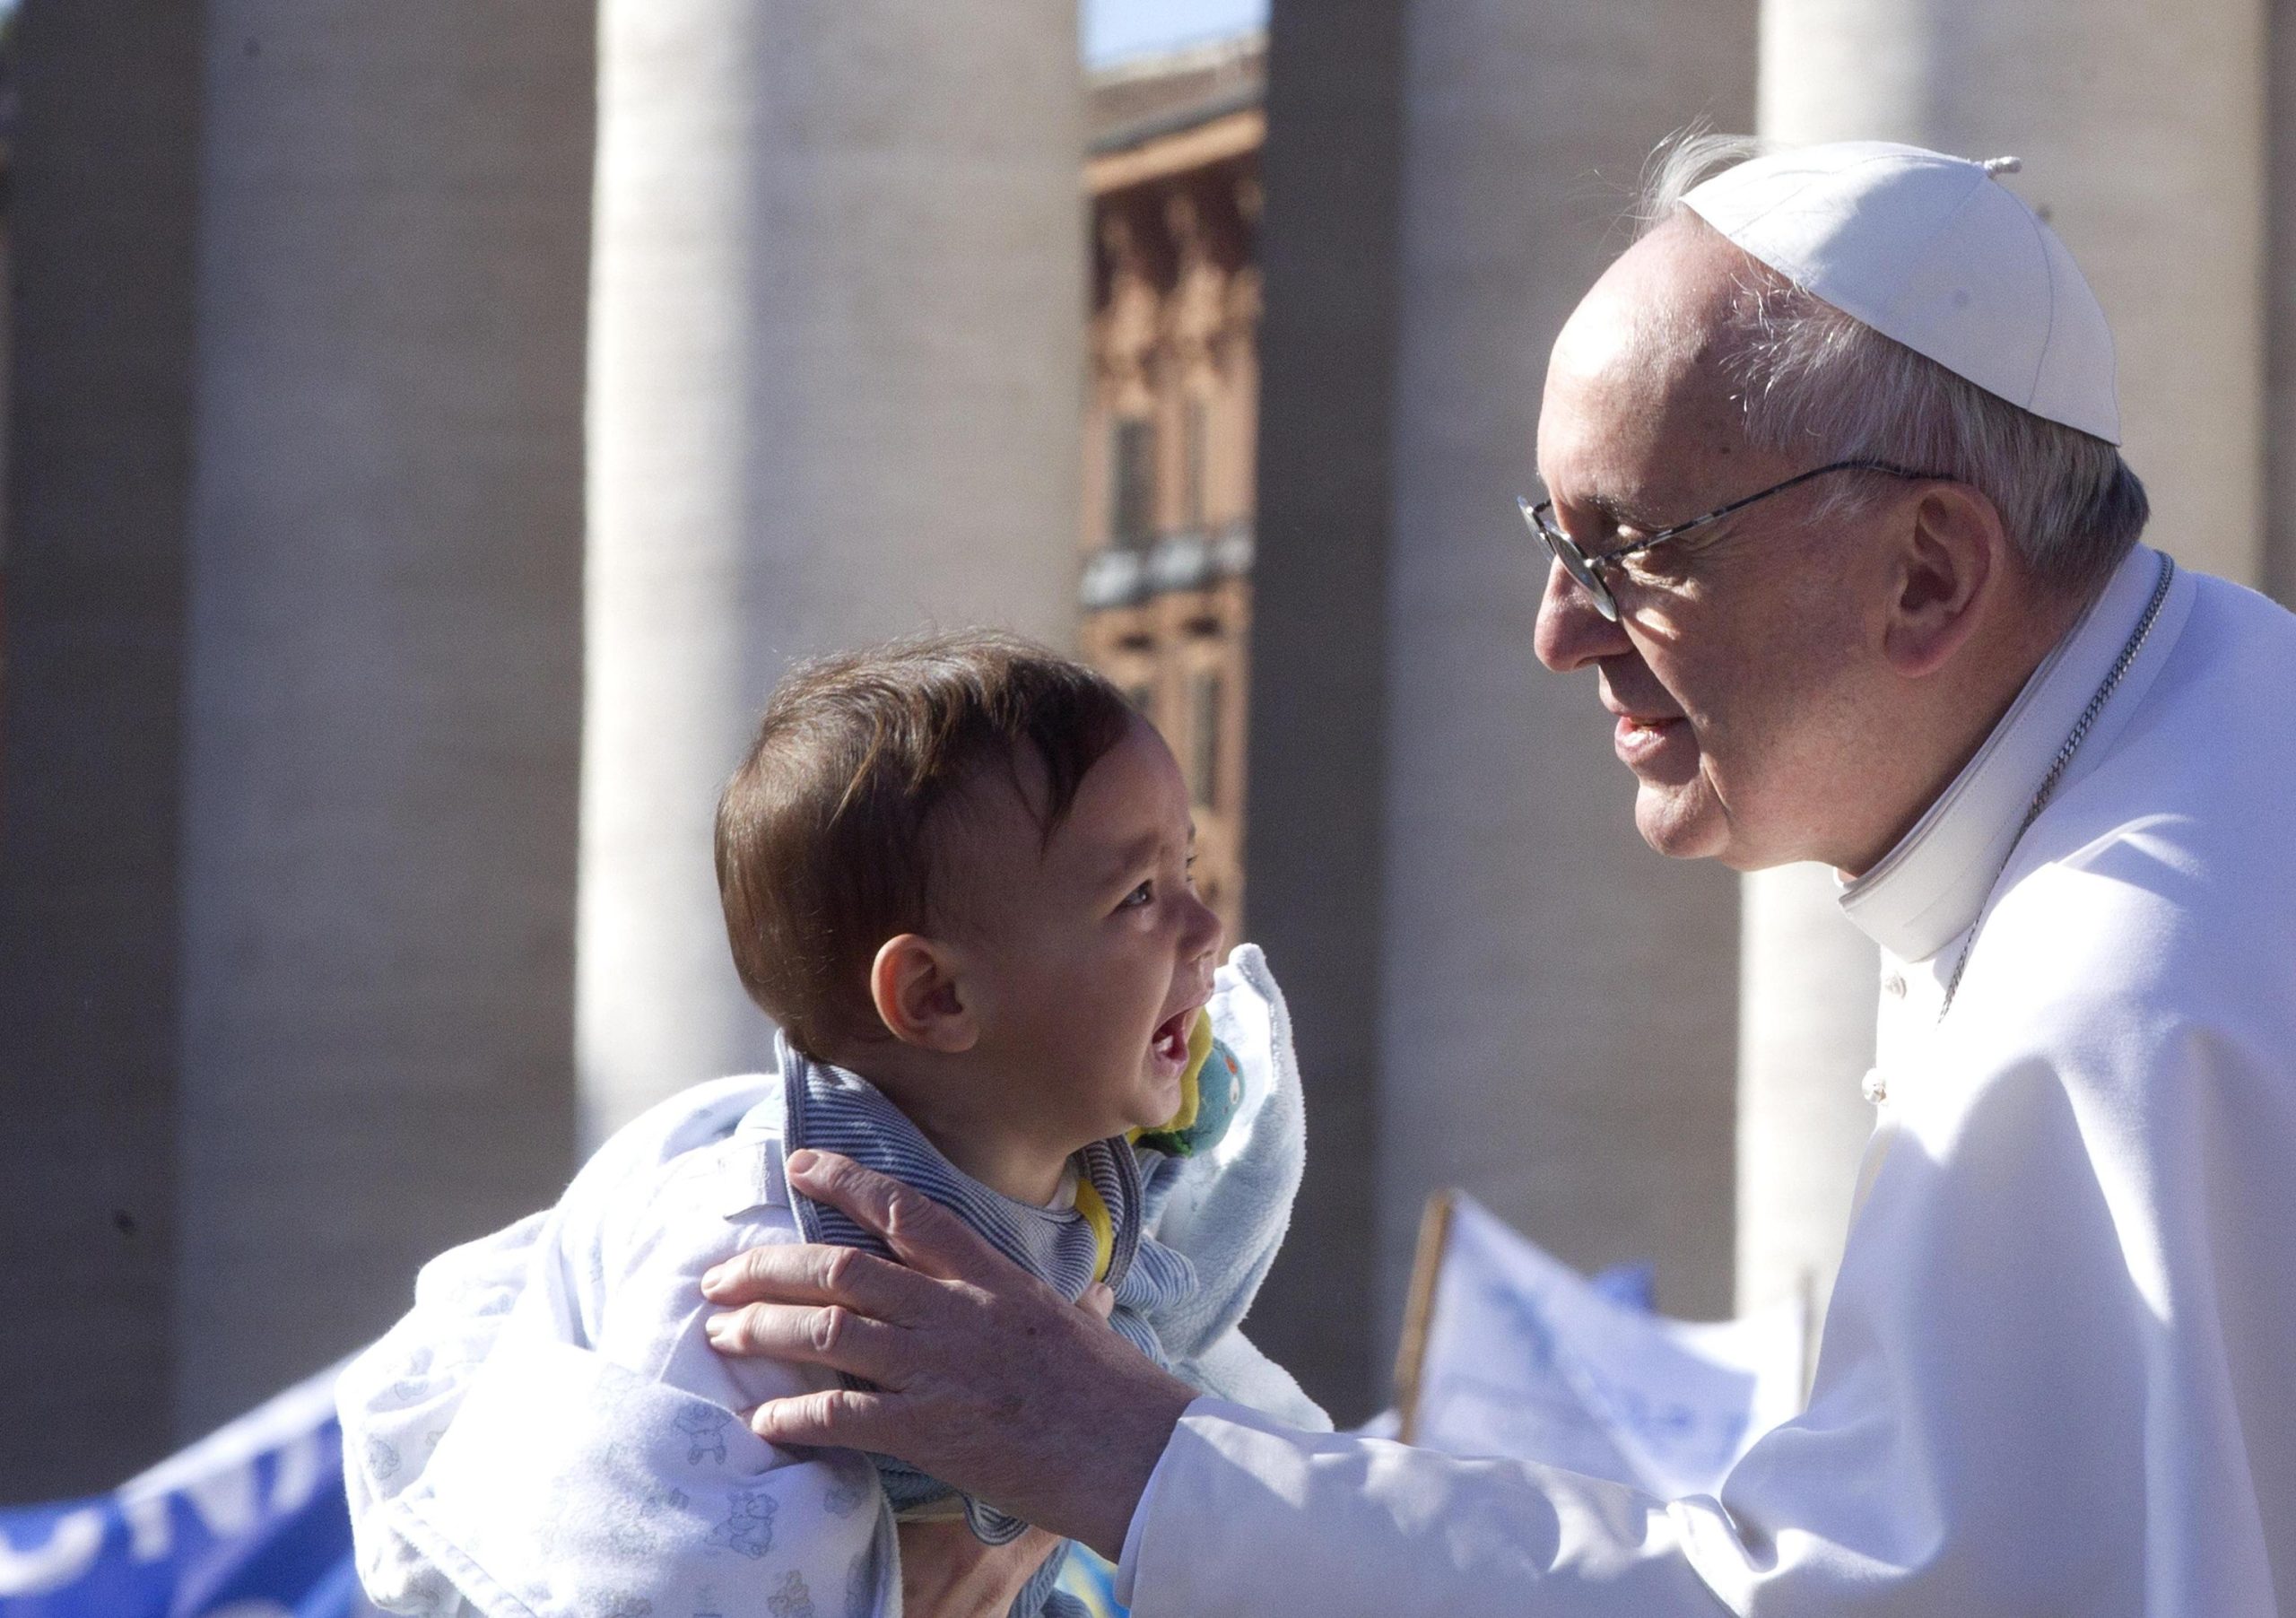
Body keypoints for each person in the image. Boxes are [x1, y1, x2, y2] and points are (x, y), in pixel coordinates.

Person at [698, 140, 2296, 1613]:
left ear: (1928, 574)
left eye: (1634, 549)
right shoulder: (2188, 749)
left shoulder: (2122, 991)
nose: (1558, 629)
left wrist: (1133, 1456)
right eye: (1552, 536)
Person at [335, 631, 1327, 1617]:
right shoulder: (767, 1267)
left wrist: (1311, 1519)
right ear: (935, 995)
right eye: (1138, 896)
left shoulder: (1099, 1191)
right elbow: (654, 1569)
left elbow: (1187, 1394)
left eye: (1187, 872)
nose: (1207, 930)